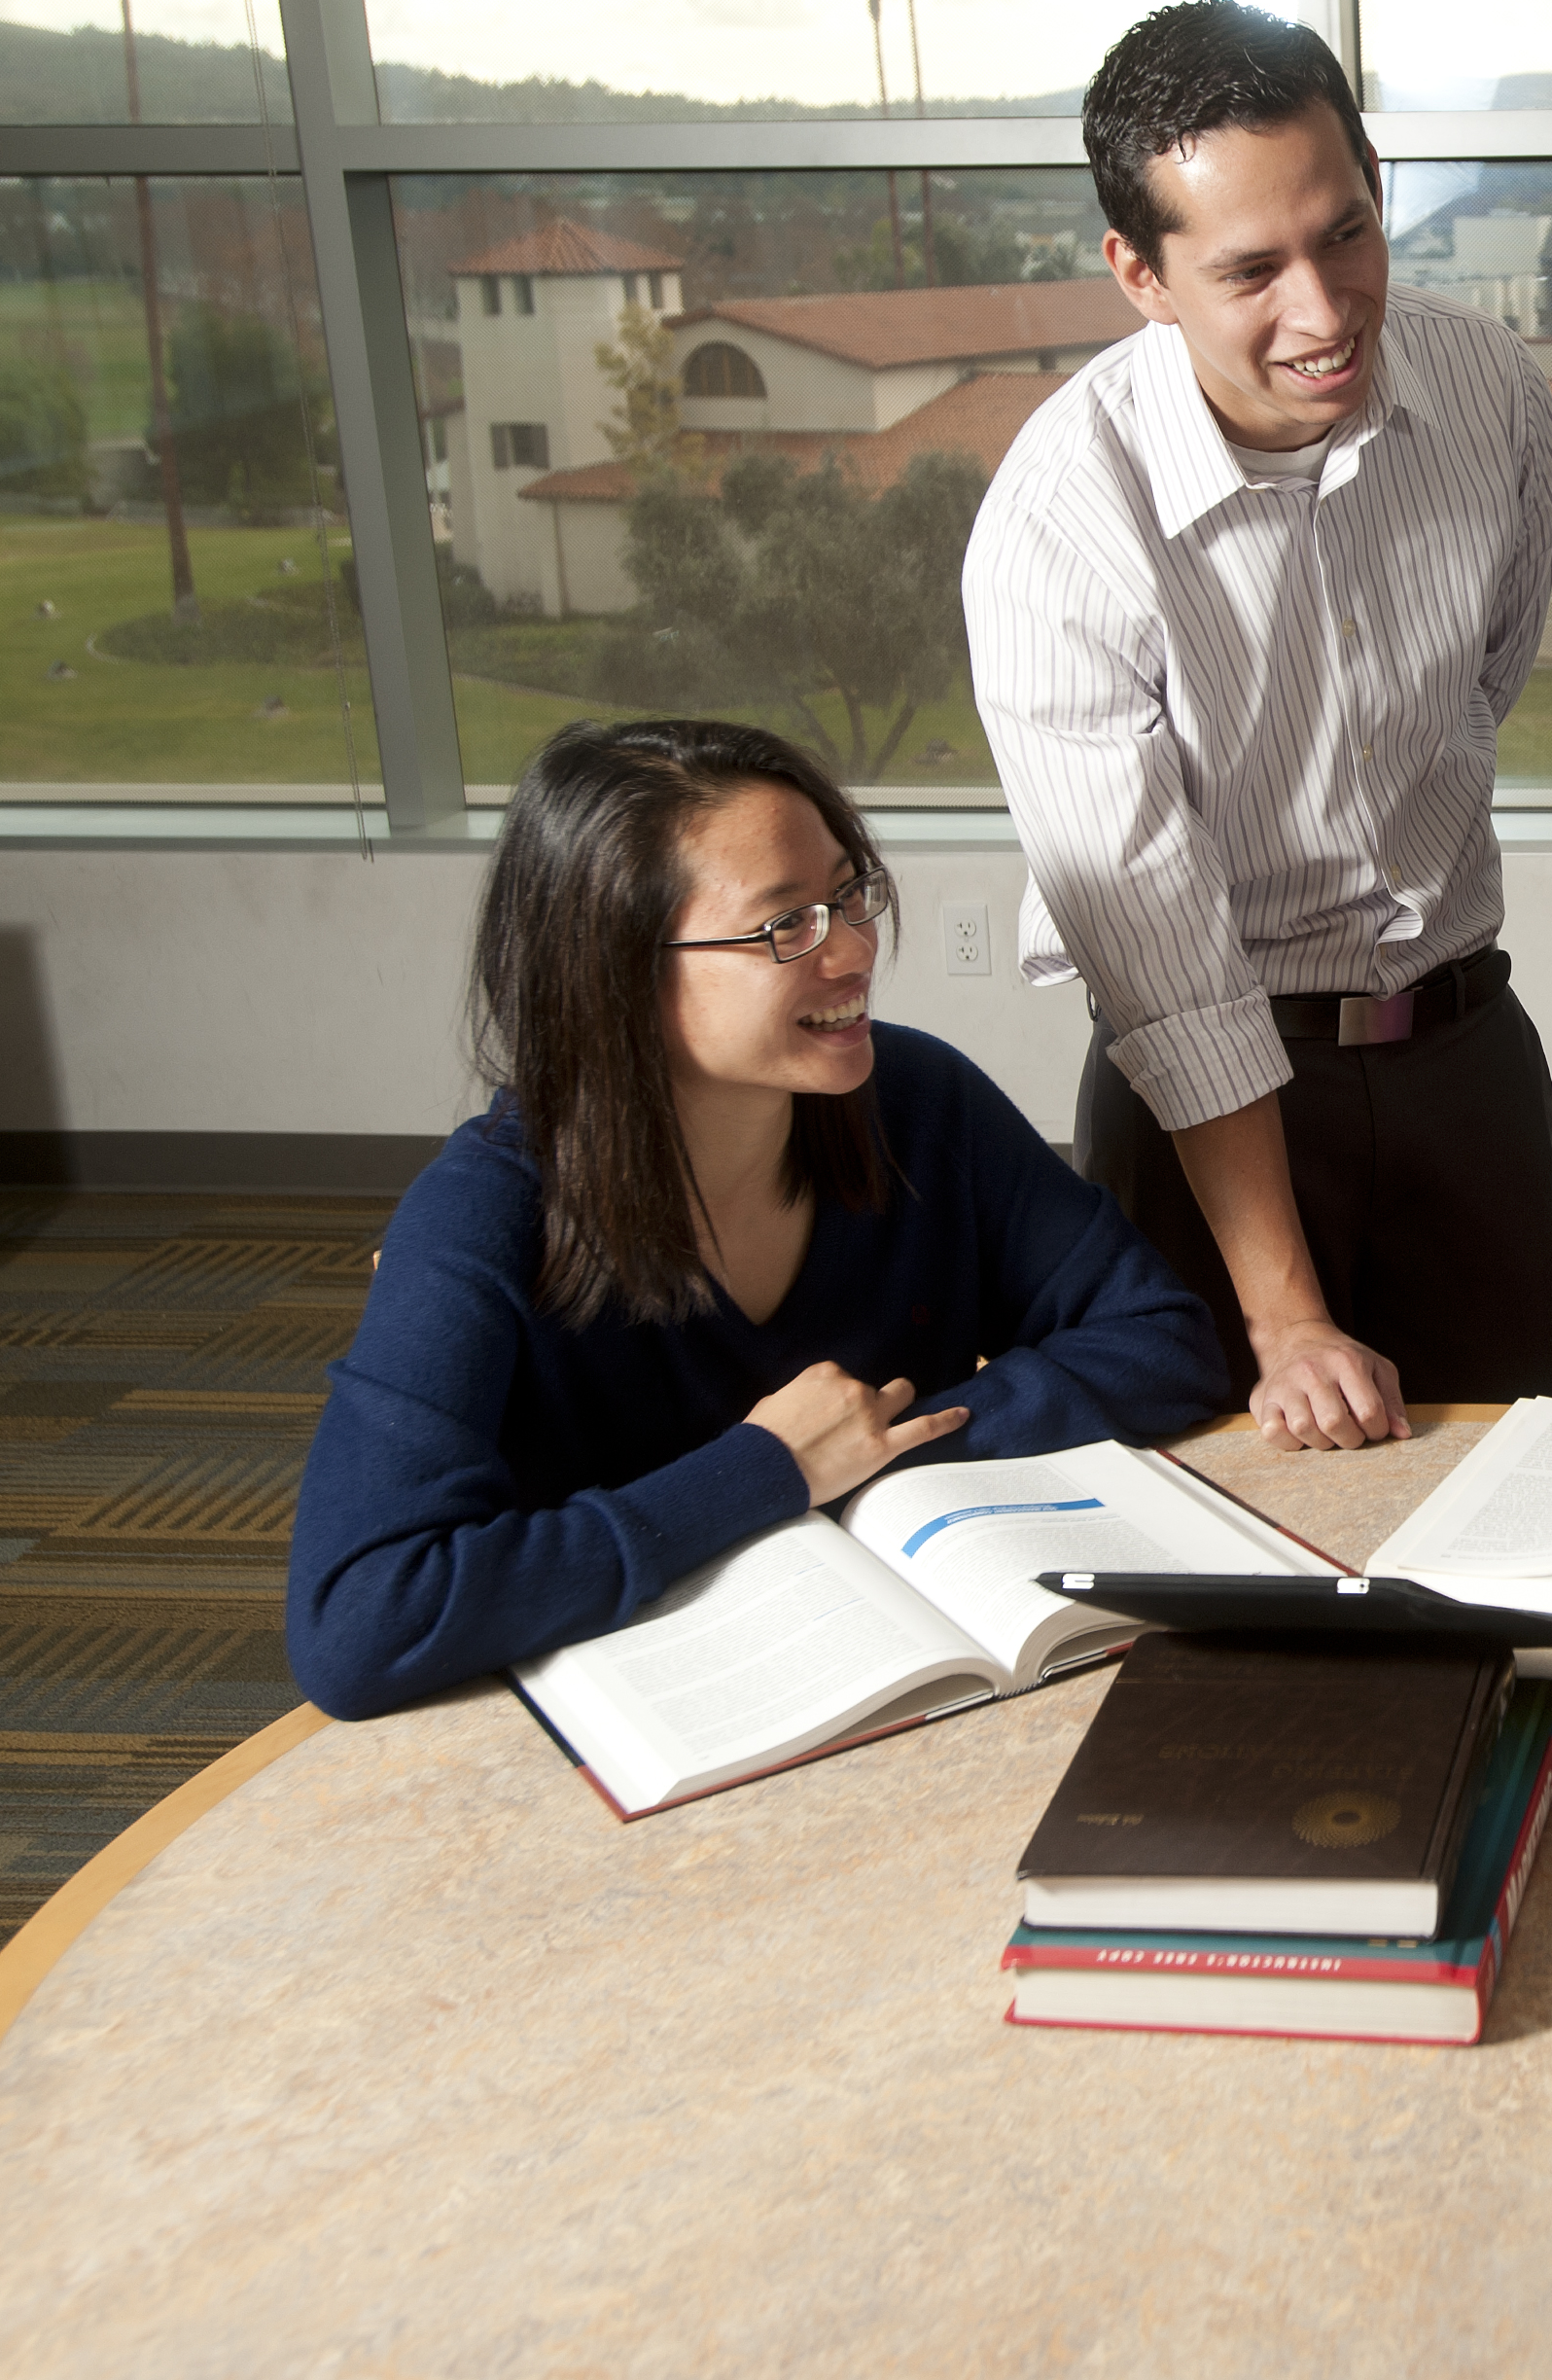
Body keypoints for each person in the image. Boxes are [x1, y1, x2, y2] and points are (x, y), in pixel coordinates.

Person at [286, 720, 1226, 1719]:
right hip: (640, 1724)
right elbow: (361, 1622)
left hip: (902, 1676)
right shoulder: (481, 1214)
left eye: (849, 895)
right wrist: (767, 1472)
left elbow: (1165, 1341)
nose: (855, 947)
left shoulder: (918, 1100)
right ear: (615, 969)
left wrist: (873, 1447)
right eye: (787, 927)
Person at [965, 0, 1552, 1452]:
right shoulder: (1062, 523)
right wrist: (1285, 1311)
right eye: (1252, 270)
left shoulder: (1488, 389)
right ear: (1140, 272)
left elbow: (1486, 681)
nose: (1324, 310)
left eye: (1348, 234)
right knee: (1227, 1558)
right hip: (1208, 1109)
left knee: (1525, 1513)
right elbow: (1164, 967)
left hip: (1464, 1053)